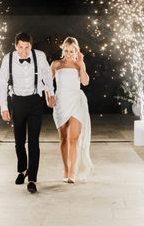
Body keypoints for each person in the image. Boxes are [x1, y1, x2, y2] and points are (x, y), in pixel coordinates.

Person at [0, 32, 55, 193]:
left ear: (31, 46)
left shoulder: (40, 56)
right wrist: (4, 106)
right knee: (19, 141)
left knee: (33, 141)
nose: (23, 51)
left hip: (35, 101)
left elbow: (47, 76)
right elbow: (1, 83)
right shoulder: (7, 59)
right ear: (15, 45)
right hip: (17, 102)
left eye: (27, 47)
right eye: (20, 47)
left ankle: (32, 179)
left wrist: (51, 93)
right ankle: (22, 170)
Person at [50, 36, 93, 183]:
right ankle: (65, 170)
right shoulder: (56, 64)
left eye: (72, 51)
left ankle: (72, 172)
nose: (69, 54)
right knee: (63, 139)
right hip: (61, 103)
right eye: (66, 51)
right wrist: (48, 97)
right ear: (63, 50)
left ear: (76, 51)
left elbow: (85, 82)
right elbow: (47, 83)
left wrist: (81, 64)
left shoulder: (78, 64)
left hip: (76, 102)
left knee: (73, 139)